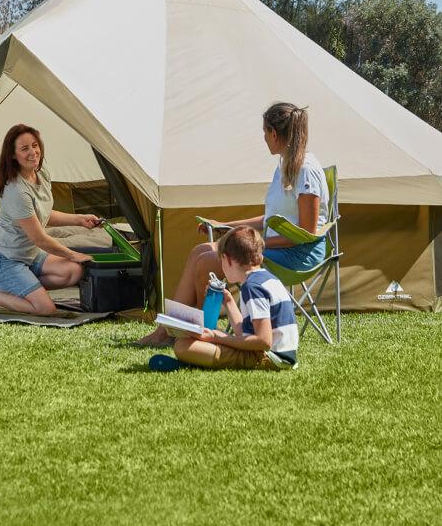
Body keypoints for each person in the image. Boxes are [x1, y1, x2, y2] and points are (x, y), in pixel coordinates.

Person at [139, 101, 329, 346]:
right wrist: (225, 225)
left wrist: (258, 246)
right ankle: (170, 330)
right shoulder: (284, 165)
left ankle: (200, 334)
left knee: (208, 260)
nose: (264, 139)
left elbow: (305, 234)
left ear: (273, 133)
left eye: (264, 133)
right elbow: (270, 220)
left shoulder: (307, 171)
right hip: (277, 246)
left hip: (299, 254)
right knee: (201, 251)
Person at [0, 124, 100, 314]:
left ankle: (24, 286)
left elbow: (42, 214)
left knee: (73, 272)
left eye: (35, 145)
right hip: (2, 260)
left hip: (29, 256)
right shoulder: (16, 190)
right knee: (46, 309)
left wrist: (79, 219)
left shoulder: (41, 172)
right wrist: (73, 254)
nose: (33, 152)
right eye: (25, 149)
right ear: (13, 155)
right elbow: (39, 238)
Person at [168, 226, 299, 371]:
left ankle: (196, 361)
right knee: (198, 339)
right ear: (259, 257)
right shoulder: (266, 279)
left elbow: (264, 341)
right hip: (278, 355)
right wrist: (229, 301)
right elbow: (244, 333)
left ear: (227, 260)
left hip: (268, 357)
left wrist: (218, 338)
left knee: (182, 346)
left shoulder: (253, 287)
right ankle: (200, 358)